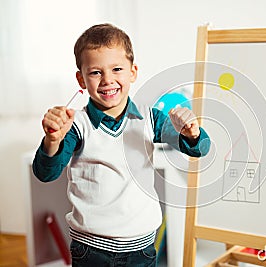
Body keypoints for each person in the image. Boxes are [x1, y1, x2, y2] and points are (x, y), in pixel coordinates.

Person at [32, 23, 210, 267]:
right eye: (95, 72)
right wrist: (52, 140)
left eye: (117, 69)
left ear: (133, 72)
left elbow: (199, 148)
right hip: (90, 250)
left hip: (142, 250)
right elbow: (46, 172)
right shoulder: (76, 125)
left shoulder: (152, 119)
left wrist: (192, 132)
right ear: (81, 79)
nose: (107, 80)